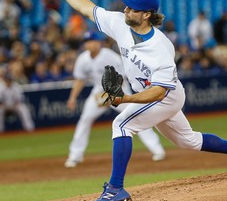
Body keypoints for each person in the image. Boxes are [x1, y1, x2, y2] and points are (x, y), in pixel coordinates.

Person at [62, 0, 227, 201]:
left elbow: (158, 93)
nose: (125, 10)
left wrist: (125, 99)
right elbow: (87, 8)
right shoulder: (119, 23)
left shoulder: (161, 48)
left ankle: (115, 188)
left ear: (146, 14)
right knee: (187, 141)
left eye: (132, 8)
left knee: (122, 124)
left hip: (165, 96)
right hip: (152, 94)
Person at [64, 30, 166, 167]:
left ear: (98, 42)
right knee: (85, 119)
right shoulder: (83, 59)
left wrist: (110, 95)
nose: (91, 44)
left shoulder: (110, 56)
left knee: (136, 117)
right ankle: (75, 155)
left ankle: (157, 149)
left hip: (119, 90)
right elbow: (80, 80)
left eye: (93, 41)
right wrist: (72, 98)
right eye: (87, 42)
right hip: (98, 93)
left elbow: (123, 76)